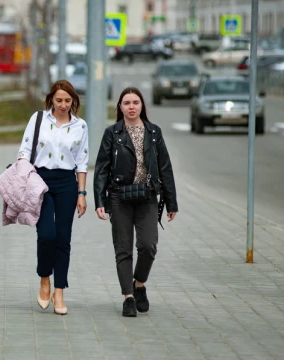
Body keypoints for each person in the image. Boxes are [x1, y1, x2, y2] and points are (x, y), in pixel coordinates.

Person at [93, 87, 178, 318]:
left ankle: (139, 284)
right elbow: (101, 169)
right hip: (120, 197)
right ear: (119, 107)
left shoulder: (153, 132)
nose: (131, 106)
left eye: (135, 102)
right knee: (123, 249)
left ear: (142, 106)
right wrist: (99, 200)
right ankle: (128, 297)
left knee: (148, 246)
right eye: (126, 102)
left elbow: (165, 167)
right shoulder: (112, 133)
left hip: (148, 196)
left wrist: (171, 202)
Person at [17, 80, 89, 315]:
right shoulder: (38, 119)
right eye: (59, 100)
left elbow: (81, 161)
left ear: (73, 101)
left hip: (67, 183)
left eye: (68, 101)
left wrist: (81, 193)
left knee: (63, 238)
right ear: (51, 99)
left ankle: (59, 291)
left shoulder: (80, 126)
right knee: (47, 234)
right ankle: (44, 278)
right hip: (41, 181)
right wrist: (22, 174)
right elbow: (24, 151)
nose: (63, 105)